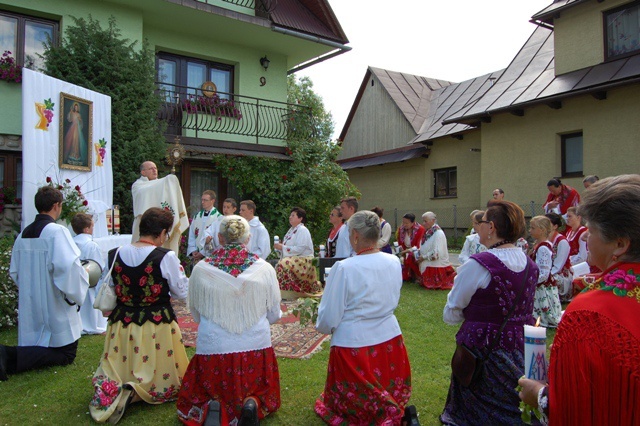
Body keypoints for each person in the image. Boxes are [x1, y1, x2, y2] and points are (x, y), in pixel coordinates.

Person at [519, 174, 640, 425]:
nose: (585, 238)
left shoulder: (591, 311)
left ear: (620, 244)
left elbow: (576, 407)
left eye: (592, 231)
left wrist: (539, 395)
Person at [177, 215, 282, 425]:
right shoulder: (265, 269)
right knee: (259, 387)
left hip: (214, 350)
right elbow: (274, 315)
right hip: (255, 347)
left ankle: (212, 403)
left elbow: (196, 315)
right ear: (248, 239)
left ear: (219, 238)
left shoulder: (200, 269)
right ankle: (252, 401)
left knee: (205, 390)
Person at [441, 201, 539, 425]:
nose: (478, 228)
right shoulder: (530, 265)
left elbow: (452, 310)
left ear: (491, 226)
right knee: (514, 400)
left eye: (482, 222)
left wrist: (477, 316)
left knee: (478, 402)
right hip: (521, 347)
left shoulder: (479, 264)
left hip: (482, 347)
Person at [89, 207, 189, 423]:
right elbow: (181, 291)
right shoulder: (165, 256)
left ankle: (121, 385)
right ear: (162, 232)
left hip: (122, 323)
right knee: (168, 384)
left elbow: (115, 285)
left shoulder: (115, 253)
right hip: (156, 325)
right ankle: (138, 391)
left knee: (116, 368)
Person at [315, 210, 412, 425]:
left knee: (356, 403)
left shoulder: (344, 268)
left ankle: (386, 410)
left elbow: (330, 316)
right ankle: (391, 407)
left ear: (356, 235)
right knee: (384, 387)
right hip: (389, 338)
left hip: (354, 345)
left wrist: (322, 326)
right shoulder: (393, 261)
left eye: (349, 233)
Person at [0, 186, 90, 381]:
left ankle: (10, 355)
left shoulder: (23, 234)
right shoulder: (57, 231)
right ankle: (6, 354)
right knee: (66, 354)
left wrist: (29, 289)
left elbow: (14, 272)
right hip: (53, 301)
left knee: (40, 342)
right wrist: (78, 289)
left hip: (31, 302)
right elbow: (68, 268)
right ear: (56, 206)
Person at [131, 161, 189, 254]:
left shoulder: (163, 184)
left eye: (155, 168)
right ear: (143, 172)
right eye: (151, 169)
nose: (154, 170)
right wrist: (168, 180)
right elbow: (145, 193)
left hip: (161, 224)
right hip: (144, 224)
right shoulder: (138, 185)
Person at [71, 212, 107, 335]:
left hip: (74, 279)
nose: (93, 229)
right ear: (86, 229)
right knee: (90, 300)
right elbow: (98, 266)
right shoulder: (91, 245)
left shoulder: (70, 242)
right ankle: (93, 325)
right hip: (90, 278)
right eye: (92, 226)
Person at [274, 207, 322, 298]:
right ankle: (284, 291)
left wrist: (283, 247)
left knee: (284, 263)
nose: (290, 217)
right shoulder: (291, 230)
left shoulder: (303, 230)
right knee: (281, 263)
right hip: (296, 258)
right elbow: (290, 248)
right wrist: (281, 248)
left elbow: (300, 248)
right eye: (290, 215)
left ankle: (291, 292)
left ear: (300, 218)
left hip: (305, 259)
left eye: (293, 215)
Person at [528, 216, 562, 328]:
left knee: (543, 308)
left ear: (542, 230)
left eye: (533, 228)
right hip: (539, 284)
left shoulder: (543, 248)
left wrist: (532, 282)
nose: (530, 231)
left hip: (542, 286)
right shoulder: (539, 245)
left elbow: (544, 272)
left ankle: (544, 318)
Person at [416, 211, 456, 289]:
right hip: (427, 260)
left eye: (425, 221)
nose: (423, 223)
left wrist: (423, 257)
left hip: (437, 263)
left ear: (433, 220)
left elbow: (436, 254)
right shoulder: (429, 232)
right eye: (423, 221)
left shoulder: (438, 233)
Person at [187, 190, 222, 263]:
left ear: (212, 201)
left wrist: (203, 252)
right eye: (202, 200)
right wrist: (193, 250)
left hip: (209, 256)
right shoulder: (197, 216)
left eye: (205, 200)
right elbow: (192, 234)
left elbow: (217, 238)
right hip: (196, 254)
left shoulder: (218, 218)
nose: (202, 202)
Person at [545, 213, 573, 302]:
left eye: (547, 223)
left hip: (561, 275)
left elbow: (558, 266)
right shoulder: (544, 240)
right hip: (549, 272)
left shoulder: (562, 242)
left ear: (555, 226)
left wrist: (546, 275)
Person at [397, 213, 426, 284]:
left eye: (406, 223)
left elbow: (418, 245)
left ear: (413, 222)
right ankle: (406, 276)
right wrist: (400, 251)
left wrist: (406, 251)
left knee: (410, 256)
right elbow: (399, 242)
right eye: (403, 222)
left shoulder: (420, 229)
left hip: (416, 250)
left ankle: (417, 277)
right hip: (405, 250)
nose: (404, 224)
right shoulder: (401, 229)